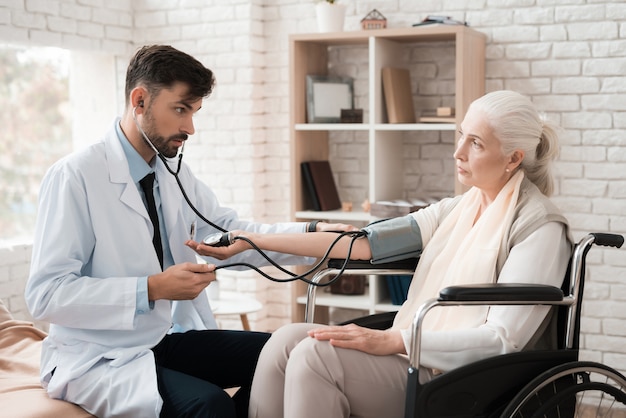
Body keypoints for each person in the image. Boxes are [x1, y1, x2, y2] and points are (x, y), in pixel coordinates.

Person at [188, 90, 574, 418]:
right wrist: (254, 241)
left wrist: (397, 341)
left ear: (513, 158)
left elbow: (502, 341)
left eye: (476, 143)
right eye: (461, 136)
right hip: (416, 351)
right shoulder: (456, 210)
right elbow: (361, 242)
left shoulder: (539, 228)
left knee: (315, 357)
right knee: (285, 341)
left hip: (469, 377)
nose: (458, 152)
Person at [25, 44, 352, 418]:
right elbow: (45, 295)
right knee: (208, 404)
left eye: (194, 112)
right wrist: (151, 288)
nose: (190, 128)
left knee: (292, 356)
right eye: (180, 109)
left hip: (167, 338)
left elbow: (233, 232)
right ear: (140, 100)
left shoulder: (171, 172)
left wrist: (314, 232)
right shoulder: (75, 176)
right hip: (100, 354)